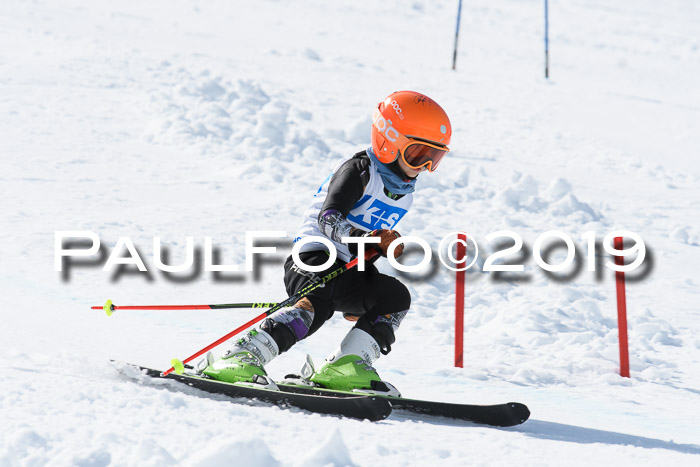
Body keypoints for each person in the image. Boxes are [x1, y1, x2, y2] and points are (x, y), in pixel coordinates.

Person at [200, 91, 452, 395]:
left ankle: (346, 365)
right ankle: (241, 356)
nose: (424, 166)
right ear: (389, 141)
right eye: (417, 154)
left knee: (395, 297)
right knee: (314, 310)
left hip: (345, 269)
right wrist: (372, 239)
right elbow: (329, 220)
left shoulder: (404, 195)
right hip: (312, 259)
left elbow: (364, 246)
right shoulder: (359, 172)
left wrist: (372, 264)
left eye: (434, 158)